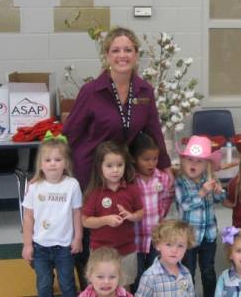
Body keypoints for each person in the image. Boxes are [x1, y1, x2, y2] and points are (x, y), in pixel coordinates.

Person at [63, 26, 172, 288]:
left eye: (128, 50)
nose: (122, 55)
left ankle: (121, 284)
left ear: (136, 54)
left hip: (120, 168)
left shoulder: (144, 91)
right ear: (106, 56)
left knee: (120, 223)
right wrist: (52, 173)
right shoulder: (92, 91)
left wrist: (166, 166)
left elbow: (154, 129)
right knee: (92, 229)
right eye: (116, 50)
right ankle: (90, 285)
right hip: (89, 169)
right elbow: (70, 133)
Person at [21, 134, 83, 297]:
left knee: (68, 284)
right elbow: (28, 217)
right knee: (43, 285)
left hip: (64, 247)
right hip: (40, 246)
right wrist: (27, 244)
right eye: (48, 160)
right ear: (40, 164)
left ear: (66, 163)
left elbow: (77, 213)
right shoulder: (34, 186)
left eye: (58, 159)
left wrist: (78, 238)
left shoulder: (72, 185)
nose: (53, 163)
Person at [82, 141, 144, 289]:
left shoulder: (132, 189)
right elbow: (85, 221)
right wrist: (106, 220)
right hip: (101, 252)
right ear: (100, 167)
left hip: (126, 250)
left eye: (119, 165)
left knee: (125, 286)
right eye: (109, 166)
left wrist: (131, 216)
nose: (115, 170)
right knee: (102, 288)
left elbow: (141, 213)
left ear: (125, 165)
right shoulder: (94, 193)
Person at [175, 135, 225, 297]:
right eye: (190, 160)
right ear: (183, 162)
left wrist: (218, 192)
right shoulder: (181, 182)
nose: (193, 164)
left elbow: (220, 199)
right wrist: (202, 192)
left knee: (208, 270)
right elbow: (184, 205)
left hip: (208, 235)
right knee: (188, 270)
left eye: (199, 161)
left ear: (206, 165)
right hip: (189, 237)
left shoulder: (209, 179)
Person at [129, 132, 174, 290]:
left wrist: (161, 219)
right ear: (134, 158)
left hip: (155, 238)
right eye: (146, 159)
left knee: (155, 273)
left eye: (154, 159)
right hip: (136, 238)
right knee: (138, 275)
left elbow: (166, 201)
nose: (151, 164)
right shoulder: (131, 180)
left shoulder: (162, 178)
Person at [135, 220, 195, 297]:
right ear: (157, 245)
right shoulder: (150, 276)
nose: (174, 250)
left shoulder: (186, 273)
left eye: (180, 246)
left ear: (187, 247)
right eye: (169, 244)